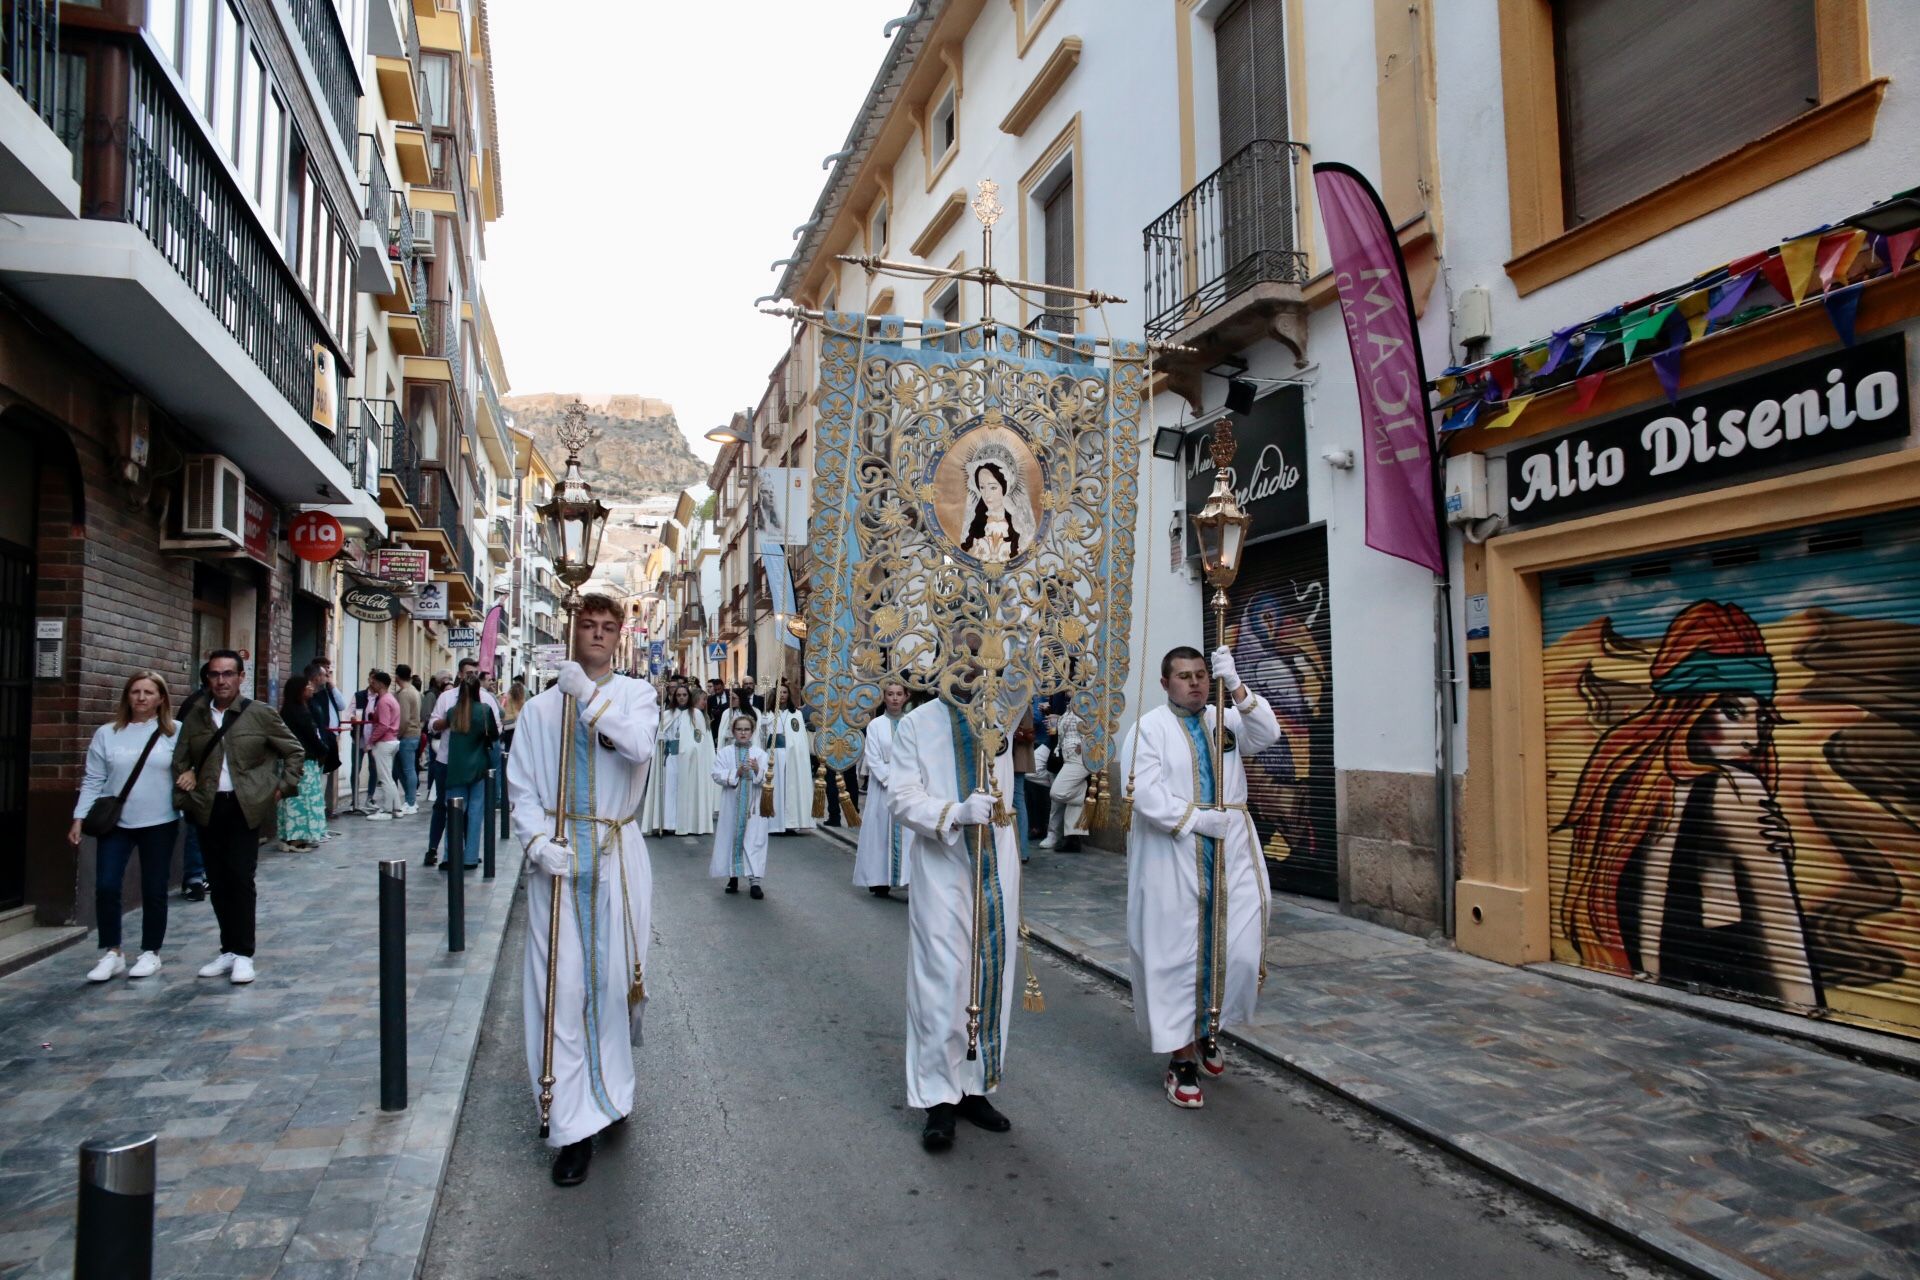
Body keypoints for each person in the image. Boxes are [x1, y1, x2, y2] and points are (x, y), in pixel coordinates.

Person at [1559, 601, 1820, 1007]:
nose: (1753, 735)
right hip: (1725, 980)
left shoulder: (1642, 787)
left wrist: (1647, 979)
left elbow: (1648, 903)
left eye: (1761, 717)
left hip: (1662, 985)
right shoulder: (1736, 789)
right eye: (1733, 710)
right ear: (1690, 707)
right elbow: (1782, 932)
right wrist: (1807, 1015)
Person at [506, 595, 659, 1187]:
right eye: (587, 626)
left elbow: (639, 746)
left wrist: (587, 698)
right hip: (561, 864)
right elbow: (521, 788)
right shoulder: (542, 710)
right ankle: (570, 1124)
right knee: (561, 989)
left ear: (619, 636)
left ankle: (612, 1093)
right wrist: (536, 842)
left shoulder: (635, 697)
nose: (596, 635)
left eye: (607, 628)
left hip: (618, 858)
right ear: (572, 633)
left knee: (612, 986)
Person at [1125, 645, 1281, 1110]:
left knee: (1238, 948)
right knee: (1177, 955)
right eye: (1183, 676)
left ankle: (1209, 1028)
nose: (1193, 683)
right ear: (1165, 683)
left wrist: (1236, 684)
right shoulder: (1147, 729)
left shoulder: (1226, 720)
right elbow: (1144, 793)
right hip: (1173, 855)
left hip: (1232, 848)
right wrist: (1194, 819)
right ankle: (1182, 1060)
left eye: (1200, 675)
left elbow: (1267, 733)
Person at [890, 693, 1020, 1153]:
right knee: (942, 979)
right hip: (943, 867)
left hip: (997, 865)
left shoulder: (1005, 708)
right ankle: (938, 1097)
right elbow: (902, 798)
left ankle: (976, 1085)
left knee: (990, 972)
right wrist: (954, 813)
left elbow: (1035, 644)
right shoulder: (917, 723)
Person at [173, 650, 304, 985]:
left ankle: (244, 953)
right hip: (207, 805)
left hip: (244, 806)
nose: (221, 680)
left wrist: (280, 788)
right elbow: (181, 758)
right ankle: (227, 949)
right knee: (217, 880)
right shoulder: (196, 716)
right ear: (207, 679)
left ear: (241, 677)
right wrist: (185, 787)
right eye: (215, 674)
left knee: (240, 879)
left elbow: (294, 750)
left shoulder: (259, 714)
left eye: (228, 673)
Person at [71, 671, 180, 981]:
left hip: (160, 821)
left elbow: (192, 768)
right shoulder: (107, 733)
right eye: (135, 691)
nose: (141, 697)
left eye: (148, 692)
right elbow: (94, 779)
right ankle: (112, 952)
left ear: (161, 699)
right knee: (106, 885)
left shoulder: (175, 732)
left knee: (154, 888)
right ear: (127, 696)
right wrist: (79, 816)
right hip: (116, 823)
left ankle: (150, 952)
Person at [428, 660, 501, 865]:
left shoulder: (453, 711)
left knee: (453, 812)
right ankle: (470, 857)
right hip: (477, 765)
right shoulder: (484, 708)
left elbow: (435, 724)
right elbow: (496, 734)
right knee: (475, 811)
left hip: (454, 766)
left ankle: (450, 855)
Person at [853, 682, 911, 897]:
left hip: (908, 785)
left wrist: (910, 778)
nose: (895, 698)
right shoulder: (875, 725)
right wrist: (888, 779)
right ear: (884, 697)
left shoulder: (912, 722)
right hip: (883, 787)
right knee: (880, 831)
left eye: (899, 694)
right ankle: (879, 878)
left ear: (906, 696)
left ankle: (907, 877)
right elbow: (873, 756)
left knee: (908, 831)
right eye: (890, 694)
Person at [709, 713, 770, 897]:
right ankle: (733, 877)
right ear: (733, 731)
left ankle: (755, 881)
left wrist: (758, 770)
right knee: (731, 838)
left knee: (754, 840)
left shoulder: (760, 754)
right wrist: (736, 772)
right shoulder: (725, 753)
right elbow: (716, 774)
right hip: (732, 804)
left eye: (746, 729)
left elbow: (768, 778)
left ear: (752, 732)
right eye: (739, 729)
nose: (743, 733)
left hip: (754, 806)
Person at [276, 675, 331, 851]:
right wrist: (324, 749)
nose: (311, 688)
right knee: (303, 801)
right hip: (303, 763)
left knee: (291, 801)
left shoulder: (287, 710)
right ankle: (297, 839)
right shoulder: (300, 712)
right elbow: (311, 737)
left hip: (290, 762)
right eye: (307, 685)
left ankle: (289, 836)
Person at [175, 665, 213, 899]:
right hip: (196, 778)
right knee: (197, 828)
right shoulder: (196, 705)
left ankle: (201, 874)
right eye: (218, 674)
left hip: (213, 779)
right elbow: (182, 744)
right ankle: (195, 877)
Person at [760, 681, 815, 834]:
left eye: (785, 692)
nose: (782, 695)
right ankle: (774, 823)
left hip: (791, 757)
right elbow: (762, 738)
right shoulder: (768, 714)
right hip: (774, 756)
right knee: (776, 788)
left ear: (789, 695)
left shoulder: (795, 714)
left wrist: (793, 749)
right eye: (779, 693)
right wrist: (764, 725)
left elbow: (799, 739)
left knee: (790, 788)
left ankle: (790, 822)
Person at [1042, 704, 1090, 851]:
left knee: (1056, 793)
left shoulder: (1087, 708)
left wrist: (1081, 747)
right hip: (1066, 758)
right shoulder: (1067, 711)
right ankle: (1071, 840)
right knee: (1070, 796)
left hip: (1078, 758)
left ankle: (1082, 794)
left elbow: (1093, 731)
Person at [305, 659, 346, 825]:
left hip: (329, 738)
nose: (328, 676)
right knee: (319, 780)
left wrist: (332, 686)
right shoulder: (311, 695)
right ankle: (318, 817)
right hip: (319, 740)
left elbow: (341, 705)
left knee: (325, 776)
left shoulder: (326, 691)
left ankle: (322, 813)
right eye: (325, 673)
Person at [678, 687, 718, 837]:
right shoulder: (693, 714)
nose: (705, 703)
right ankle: (695, 823)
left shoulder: (699, 714)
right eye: (704, 699)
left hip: (701, 758)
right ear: (695, 699)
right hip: (697, 760)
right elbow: (693, 738)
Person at [363, 671, 403, 821]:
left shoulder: (383, 701)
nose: (371, 685)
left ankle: (387, 810)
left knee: (384, 777)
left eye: (373, 682)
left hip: (385, 742)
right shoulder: (390, 699)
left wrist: (370, 741)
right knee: (388, 777)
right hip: (392, 740)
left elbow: (384, 725)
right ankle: (396, 808)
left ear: (380, 684)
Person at [392, 663, 422, 816]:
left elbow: (403, 718)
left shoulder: (404, 693)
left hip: (407, 735)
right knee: (404, 768)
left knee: (408, 769)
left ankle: (410, 802)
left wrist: (397, 734)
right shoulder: (414, 691)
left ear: (397, 677)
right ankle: (410, 800)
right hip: (414, 734)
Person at [502, 677, 529, 754]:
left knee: (507, 749)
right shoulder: (522, 700)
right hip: (518, 727)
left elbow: (501, 711)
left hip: (508, 726)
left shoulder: (506, 698)